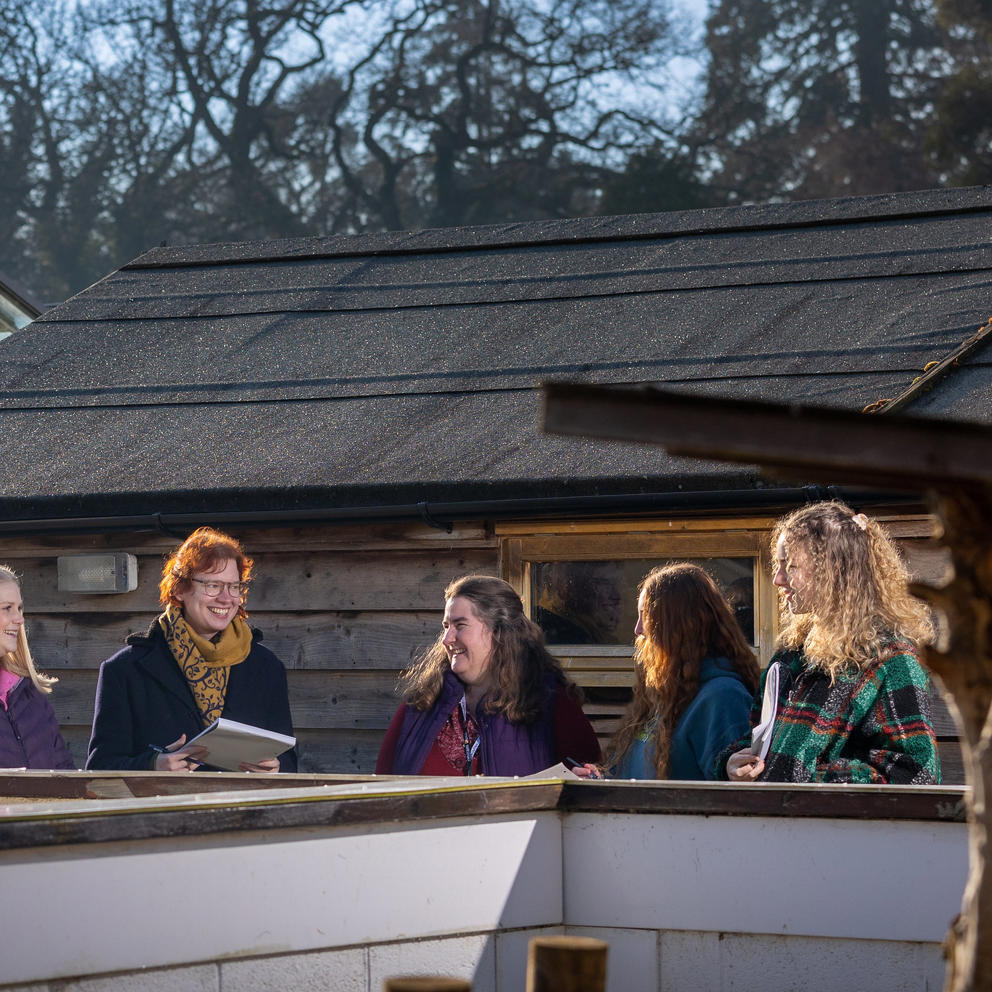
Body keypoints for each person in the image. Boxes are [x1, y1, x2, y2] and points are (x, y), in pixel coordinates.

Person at [721, 501, 939, 784]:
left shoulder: (893, 660)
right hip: (773, 825)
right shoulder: (790, 657)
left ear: (834, 569)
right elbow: (755, 738)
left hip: (834, 827)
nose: (777, 579)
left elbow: (917, 773)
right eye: (779, 565)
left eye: (792, 566)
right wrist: (732, 763)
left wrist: (810, 780)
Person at [86, 527, 297, 773]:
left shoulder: (267, 668)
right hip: (166, 809)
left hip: (242, 810)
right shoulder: (124, 671)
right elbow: (100, 768)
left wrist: (275, 769)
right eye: (213, 586)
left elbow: (289, 762)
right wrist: (153, 765)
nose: (226, 598)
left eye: (234, 586)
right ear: (179, 589)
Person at [376, 574, 601, 776]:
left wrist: (585, 777)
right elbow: (383, 785)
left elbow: (586, 780)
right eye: (446, 626)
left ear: (499, 632)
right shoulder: (422, 703)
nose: (446, 639)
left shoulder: (551, 702)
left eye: (460, 625)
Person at [579, 563, 759, 780]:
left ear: (679, 624)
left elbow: (735, 797)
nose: (637, 629)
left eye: (646, 616)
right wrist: (595, 779)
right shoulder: (665, 692)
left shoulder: (723, 697)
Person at [0, 566, 75, 769]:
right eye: (7, 608)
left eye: (19, 608)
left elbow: (64, 773)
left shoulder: (29, 694)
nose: (19, 619)